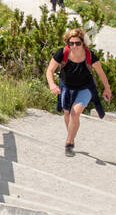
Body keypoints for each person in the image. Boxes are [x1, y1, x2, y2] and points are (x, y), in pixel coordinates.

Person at [46, 28, 112, 156]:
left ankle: (69, 143)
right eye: (71, 43)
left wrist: (107, 89)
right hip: (66, 87)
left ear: (83, 43)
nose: (74, 46)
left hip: (85, 88)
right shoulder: (62, 53)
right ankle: (72, 135)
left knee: (74, 113)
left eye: (78, 43)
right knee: (67, 114)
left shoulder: (90, 56)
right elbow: (49, 71)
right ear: (68, 43)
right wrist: (52, 84)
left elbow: (101, 73)